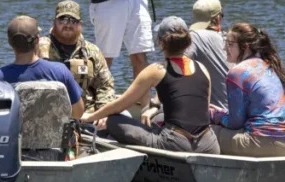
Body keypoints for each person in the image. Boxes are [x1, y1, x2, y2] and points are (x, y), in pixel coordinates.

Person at [81, 17, 219, 155]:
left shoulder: (156, 70)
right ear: (187, 42)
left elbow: (119, 105)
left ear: (160, 42)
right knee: (158, 117)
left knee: (112, 120)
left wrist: (90, 117)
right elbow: (201, 109)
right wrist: (154, 107)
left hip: (176, 144)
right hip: (210, 144)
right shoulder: (202, 68)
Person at [210, 23, 285, 157]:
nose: (224, 48)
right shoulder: (270, 65)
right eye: (225, 43)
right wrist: (223, 113)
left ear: (245, 47)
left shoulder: (237, 72)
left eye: (230, 44)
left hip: (264, 144)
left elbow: (235, 123)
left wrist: (213, 115)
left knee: (205, 132)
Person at [0, 16, 85, 120]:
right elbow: (78, 113)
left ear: (10, 43)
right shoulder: (60, 72)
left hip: (12, 136)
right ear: (37, 40)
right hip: (52, 136)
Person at [38, 0, 116, 123]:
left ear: (80, 24)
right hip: (49, 115)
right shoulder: (40, 47)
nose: (67, 25)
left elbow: (105, 86)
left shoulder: (92, 51)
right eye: (62, 20)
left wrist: (102, 113)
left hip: (86, 116)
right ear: (54, 22)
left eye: (73, 21)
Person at [186, 0, 229, 109]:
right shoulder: (231, 39)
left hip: (216, 112)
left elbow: (176, 65)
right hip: (240, 112)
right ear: (218, 18)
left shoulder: (194, 37)